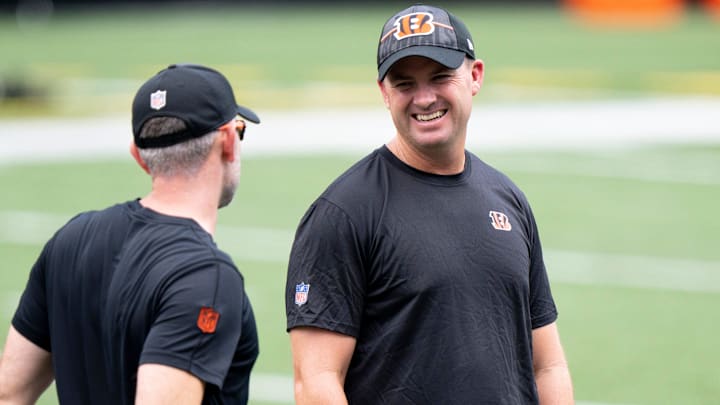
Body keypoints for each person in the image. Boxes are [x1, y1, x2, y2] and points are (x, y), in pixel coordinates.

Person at [285, 5, 574, 404]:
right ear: (384, 93)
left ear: (475, 77)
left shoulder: (507, 199)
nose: (424, 98)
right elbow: (316, 381)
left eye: (440, 77)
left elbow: (548, 365)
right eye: (404, 84)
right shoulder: (344, 212)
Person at [0, 63, 261, 405]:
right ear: (228, 140)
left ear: (138, 156)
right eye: (240, 130)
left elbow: (9, 393)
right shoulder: (206, 276)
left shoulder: (72, 239)